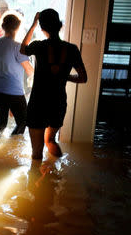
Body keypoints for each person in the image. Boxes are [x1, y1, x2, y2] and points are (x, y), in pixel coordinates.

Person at [20, 9, 87, 159]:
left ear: (42, 28)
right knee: (50, 141)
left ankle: (37, 180)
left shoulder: (38, 46)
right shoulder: (72, 49)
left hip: (38, 103)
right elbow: (83, 78)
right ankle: (56, 175)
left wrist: (33, 25)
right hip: (58, 103)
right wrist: (65, 76)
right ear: (59, 25)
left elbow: (22, 48)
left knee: (36, 153)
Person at [0, 12, 34, 135]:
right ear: (18, 28)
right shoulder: (17, 47)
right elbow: (29, 70)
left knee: (1, 124)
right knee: (22, 122)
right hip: (14, 92)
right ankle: (11, 148)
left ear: (3, 26)